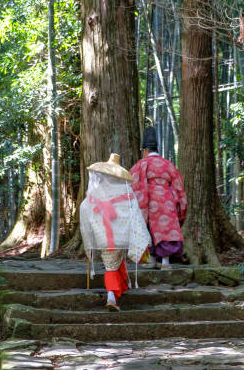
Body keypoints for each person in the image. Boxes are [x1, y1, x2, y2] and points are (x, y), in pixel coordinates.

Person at [80, 153, 151, 311]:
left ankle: (119, 289)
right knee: (113, 263)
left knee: (112, 262)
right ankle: (111, 296)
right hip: (120, 235)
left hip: (102, 235)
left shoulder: (96, 193)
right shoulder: (126, 193)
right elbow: (134, 214)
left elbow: (84, 208)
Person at [130, 126, 187, 269]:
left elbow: (132, 183)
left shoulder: (141, 164)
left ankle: (153, 260)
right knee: (165, 230)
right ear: (157, 149)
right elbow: (178, 186)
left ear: (144, 150)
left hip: (149, 201)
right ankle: (165, 262)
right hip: (167, 200)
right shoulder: (168, 164)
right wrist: (179, 203)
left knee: (150, 229)